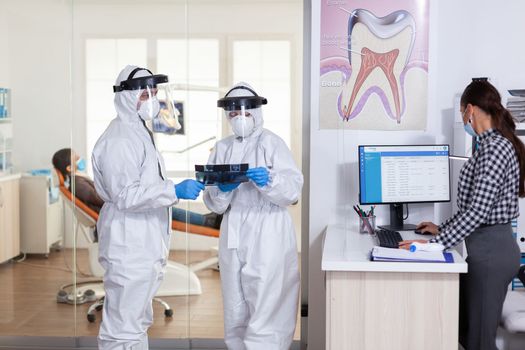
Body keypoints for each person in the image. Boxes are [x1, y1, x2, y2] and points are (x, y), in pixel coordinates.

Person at [400, 80, 523, 350]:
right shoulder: (487, 147)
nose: (463, 121)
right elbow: (472, 210)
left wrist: (432, 247)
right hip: (483, 250)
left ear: (469, 109)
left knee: (479, 341)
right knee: (463, 329)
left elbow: (478, 211)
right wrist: (440, 229)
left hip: (493, 252)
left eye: (461, 114)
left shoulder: (495, 149)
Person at [91, 65, 205, 350]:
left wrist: (171, 190)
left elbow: (142, 186)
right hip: (130, 242)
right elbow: (127, 196)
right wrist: (174, 190)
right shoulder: (120, 139)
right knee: (123, 326)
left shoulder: (137, 133)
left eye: (154, 92)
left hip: (141, 240)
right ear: (128, 96)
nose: (152, 99)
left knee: (136, 320)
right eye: (146, 93)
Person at [203, 82, 303, 349]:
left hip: (268, 228)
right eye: (233, 113)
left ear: (257, 112)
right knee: (235, 303)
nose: (239, 118)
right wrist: (222, 190)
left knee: (268, 299)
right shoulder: (221, 148)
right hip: (234, 229)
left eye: (245, 112)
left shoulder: (273, 143)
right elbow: (214, 203)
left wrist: (269, 180)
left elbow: (292, 191)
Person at [52, 148, 222, 229]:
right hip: (117, 215)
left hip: (119, 209)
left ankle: (207, 219)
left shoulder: (80, 180)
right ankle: (207, 221)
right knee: (163, 207)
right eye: (76, 158)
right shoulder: (77, 184)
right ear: (69, 168)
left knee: (164, 205)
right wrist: (119, 189)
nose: (80, 159)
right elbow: (100, 198)